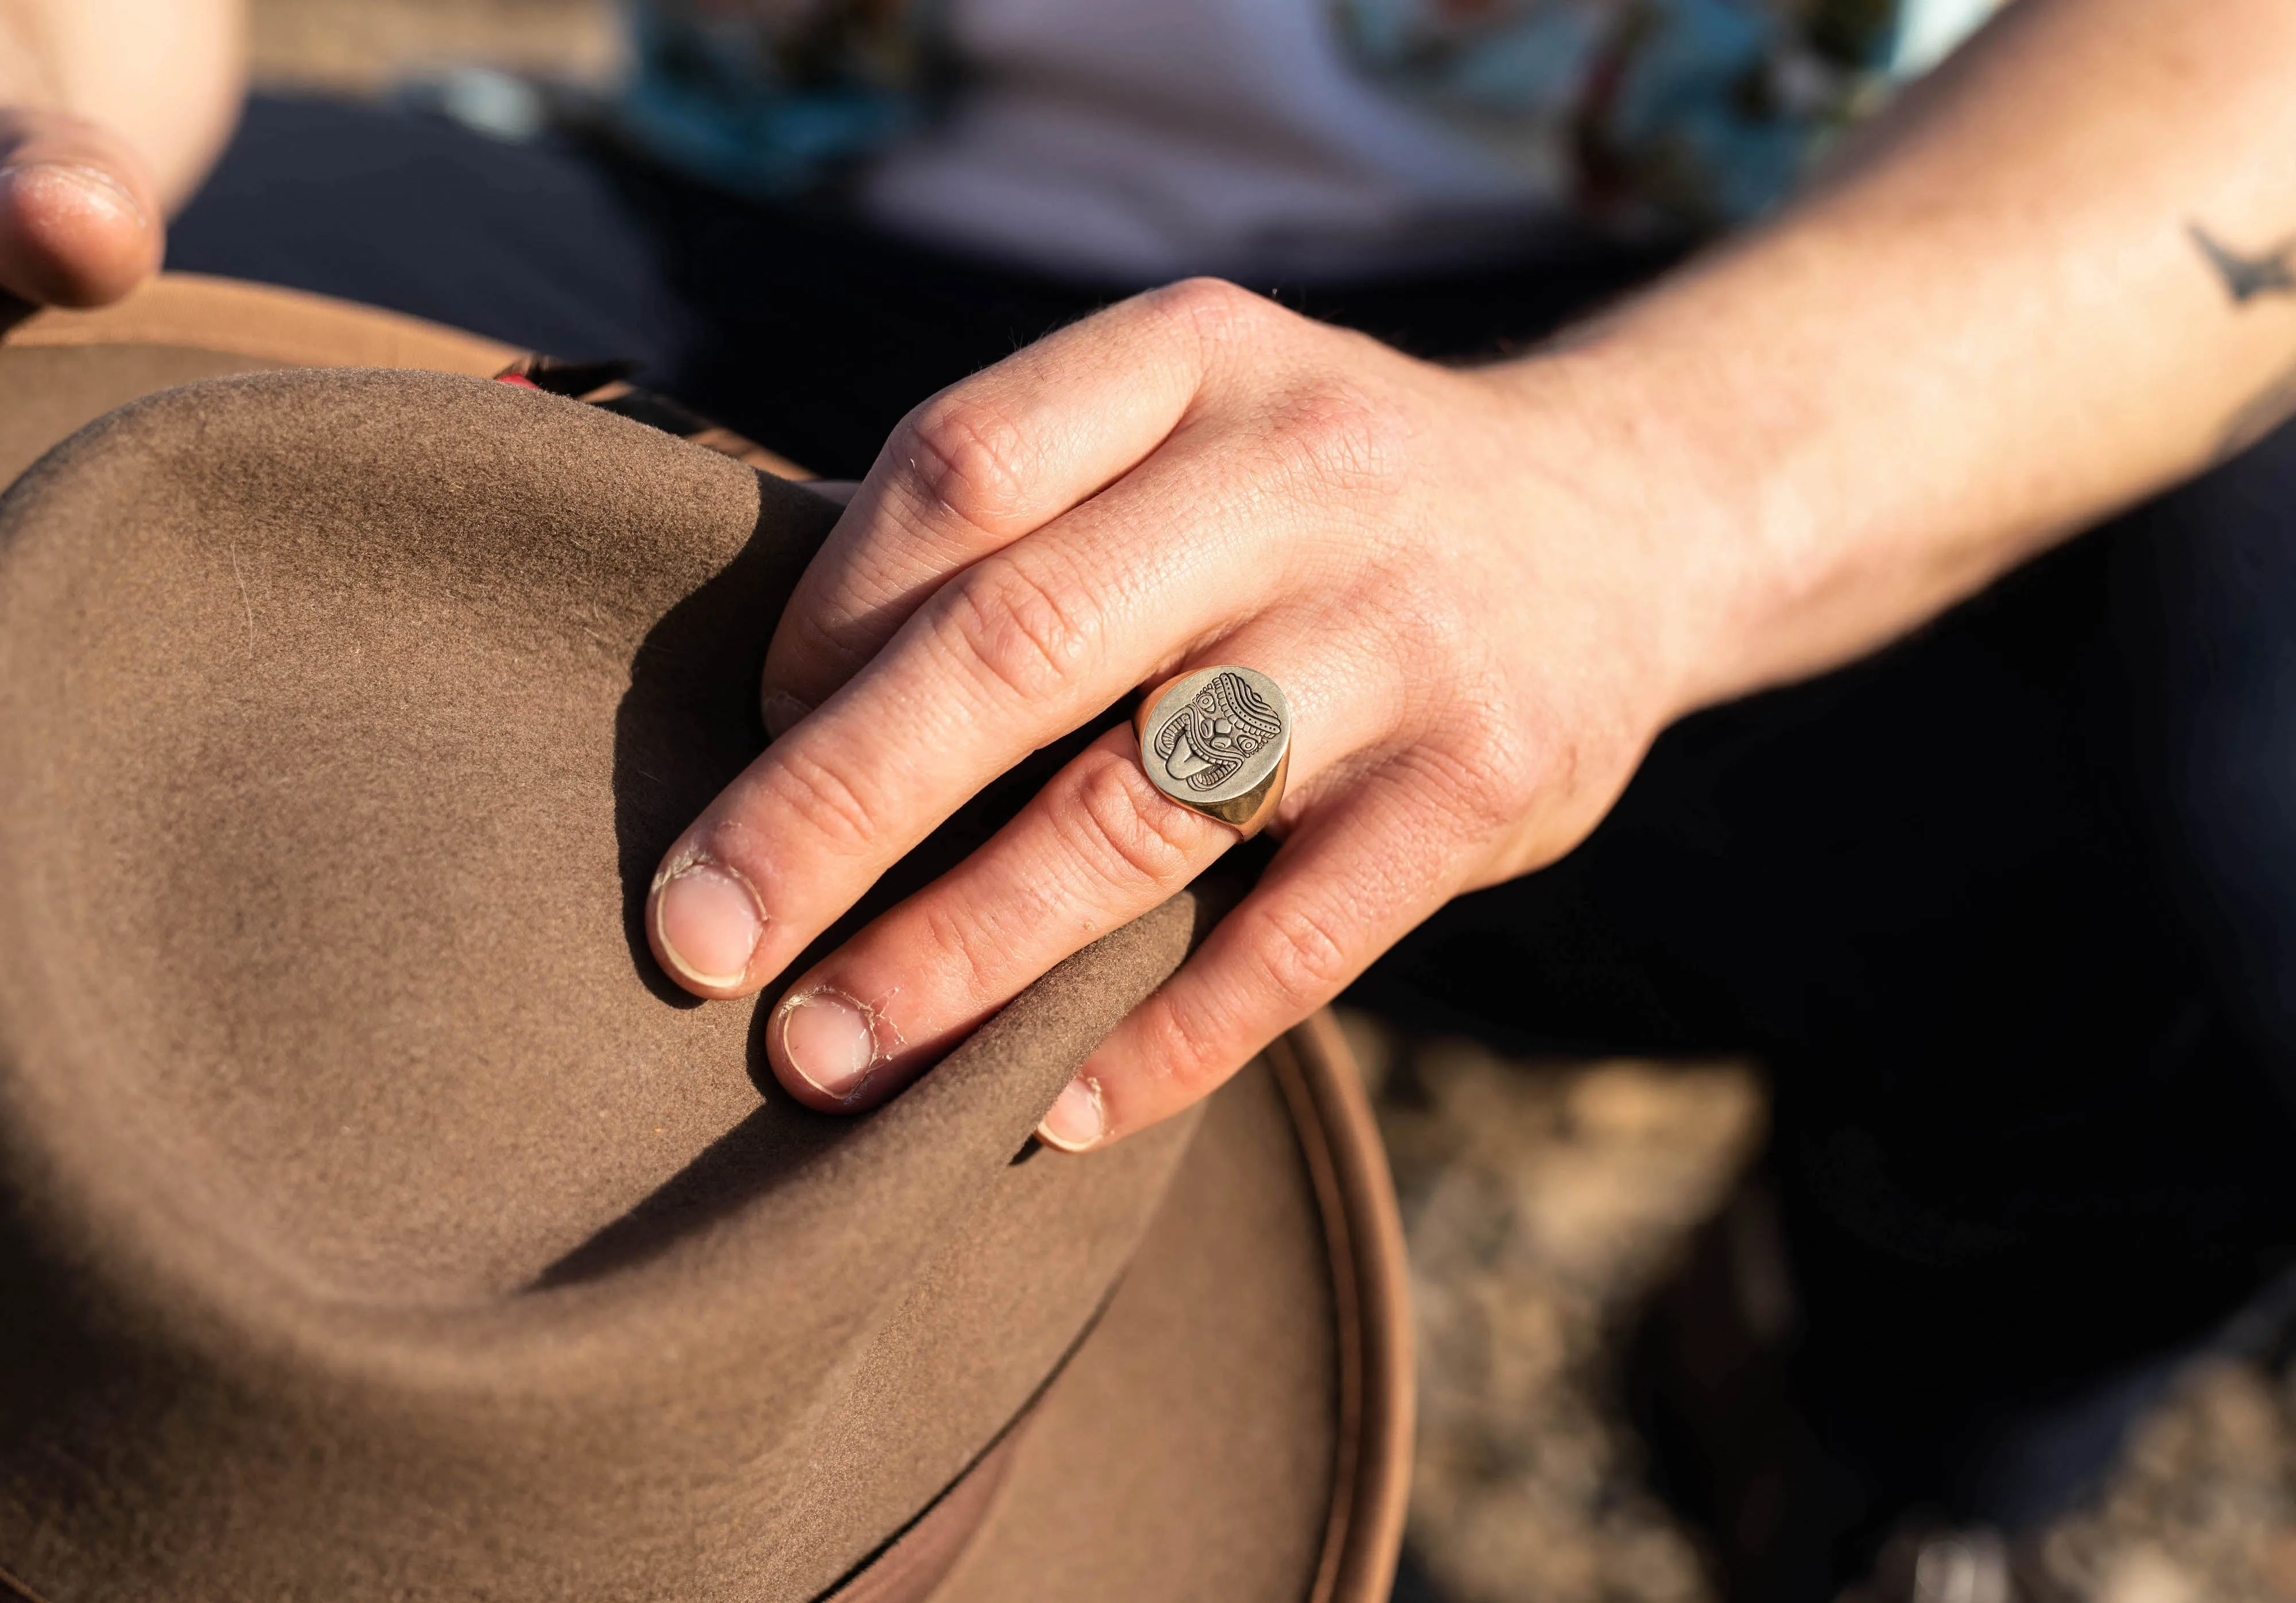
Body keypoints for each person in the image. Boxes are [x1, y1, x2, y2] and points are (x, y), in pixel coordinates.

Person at [7, 1, 2296, 1594]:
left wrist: (1657, 489)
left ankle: (1878, 1405)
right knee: (103, 465)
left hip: (1746, 297)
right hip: (759, 223)